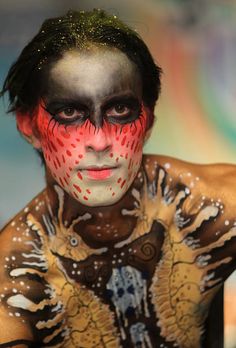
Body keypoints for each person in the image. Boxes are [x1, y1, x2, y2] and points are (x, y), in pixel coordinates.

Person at [0, 9, 235, 348]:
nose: (99, 140)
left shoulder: (207, 208)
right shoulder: (17, 277)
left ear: (149, 120)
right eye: (69, 112)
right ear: (29, 126)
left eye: (120, 110)